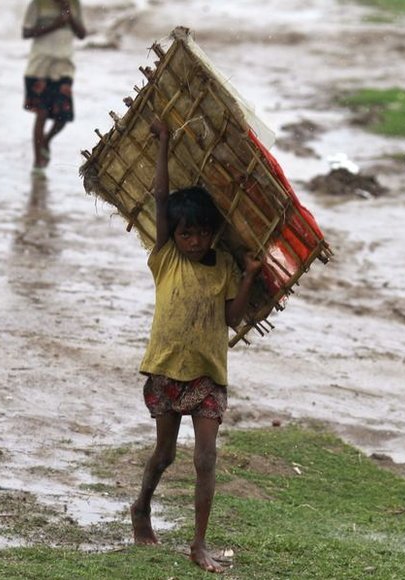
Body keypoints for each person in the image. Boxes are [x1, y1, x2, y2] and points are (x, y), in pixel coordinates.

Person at [130, 119, 262, 574]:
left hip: (208, 376)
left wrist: (247, 277)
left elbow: (231, 319)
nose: (193, 241)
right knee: (164, 455)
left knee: (206, 458)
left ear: (212, 232)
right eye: (186, 233)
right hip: (167, 371)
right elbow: (161, 199)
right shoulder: (164, 255)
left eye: (201, 233)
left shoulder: (223, 263)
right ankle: (142, 506)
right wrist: (164, 142)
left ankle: (198, 545)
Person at [22, 0, 86, 174]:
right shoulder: (37, 4)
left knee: (63, 116)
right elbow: (26, 32)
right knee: (41, 114)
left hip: (63, 67)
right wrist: (55, 24)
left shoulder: (74, 4)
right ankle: (38, 163)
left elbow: (81, 34)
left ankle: (46, 141)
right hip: (39, 67)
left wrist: (69, 16)